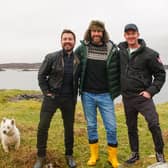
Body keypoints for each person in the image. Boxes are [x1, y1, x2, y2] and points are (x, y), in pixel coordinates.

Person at [118, 23, 166, 164]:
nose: (131, 36)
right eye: (128, 33)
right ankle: (135, 154)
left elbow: (160, 75)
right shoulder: (121, 52)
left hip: (143, 97)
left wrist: (150, 92)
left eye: (133, 33)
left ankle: (159, 153)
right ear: (125, 36)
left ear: (138, 34)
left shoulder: (150, 54)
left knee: (153, 124)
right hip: (127, 97)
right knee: (131, 127)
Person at [75, 20, 120, 168]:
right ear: (90, 32)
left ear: (103, 33)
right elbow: (73, 67)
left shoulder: (111, 48)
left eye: (99, 31)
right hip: (87, 95)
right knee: (92, 126)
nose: (96, 34)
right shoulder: (82, 49)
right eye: (94, 31)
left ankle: (112, 157)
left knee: (111, 127)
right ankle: (94, 155)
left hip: (106, 95)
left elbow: (119, 68)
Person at [33, 29, 80, 168]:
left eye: (70, 39)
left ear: (74, 41)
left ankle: (69, 155)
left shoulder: (78, 59)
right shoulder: (51, 57)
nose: (67, 41)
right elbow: (41, 76)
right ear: (61, 41)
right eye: (65, 39)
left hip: (69, 99)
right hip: (52, 98)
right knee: (43, 126)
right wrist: (46, 92)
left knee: (69, 128)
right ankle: (40, 157)